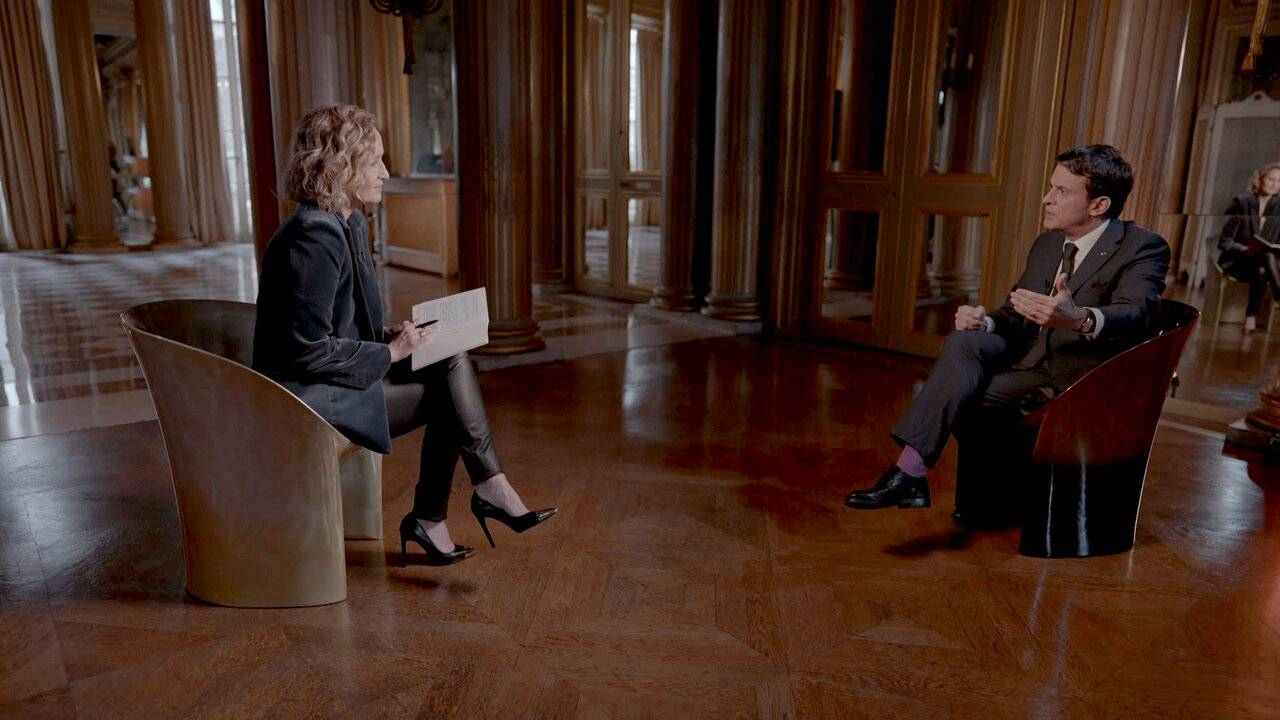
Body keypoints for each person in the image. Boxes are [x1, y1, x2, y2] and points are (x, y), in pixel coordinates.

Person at [253, 104, 556, 566]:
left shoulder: (348, 222)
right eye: (374, 161)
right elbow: (305, 350)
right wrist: (392, 351)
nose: (385, 173)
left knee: (452, 356)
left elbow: (338, 323)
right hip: (304, 395)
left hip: (329, 376)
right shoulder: (314, 236)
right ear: (340, 165)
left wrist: (388, 335)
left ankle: (470, 498)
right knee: (450, 395)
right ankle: (453, 506)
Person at [843, 145, 1170, 523]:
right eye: (1051, 187)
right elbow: (1017, 314)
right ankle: (911, 473)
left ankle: (969, 495)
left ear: (1098, 205)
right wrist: (985, 323)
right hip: (1029, 358)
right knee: (964, 342)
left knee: (967, 395)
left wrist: (1079, 319)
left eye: (1062, 191)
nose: (1047, 199)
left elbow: (1137, 314)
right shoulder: (1048, 243)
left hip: (1081, 374)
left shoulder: (1142, 246)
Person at [1216, 161, 1280, 333]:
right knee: (1264, 262)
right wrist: (1244, 249)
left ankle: (1251, 317)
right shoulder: (1243, 202)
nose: (1274, 184)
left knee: (1262, 266)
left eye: (1279, 181)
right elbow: (1224, 241)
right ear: (1259, 179)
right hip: (1239, 261)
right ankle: (1278, 296)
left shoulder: (1279, 206)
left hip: (1266, 265)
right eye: (1271, 179)